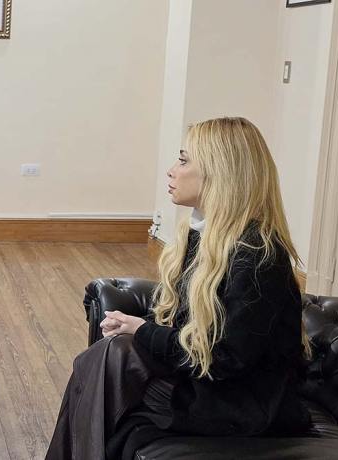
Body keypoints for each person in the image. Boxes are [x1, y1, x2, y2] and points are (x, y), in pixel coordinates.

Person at [46, 117, 312, 459]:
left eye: (184, 161)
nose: (172, 171)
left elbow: (224, 359)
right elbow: (185, 327)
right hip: (205, 384)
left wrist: (142, 331)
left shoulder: (258, 256)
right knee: (109, 357)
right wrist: (136, 327)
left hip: (243, 406)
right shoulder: (202, 237)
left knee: (113, 358)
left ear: (219, 173)